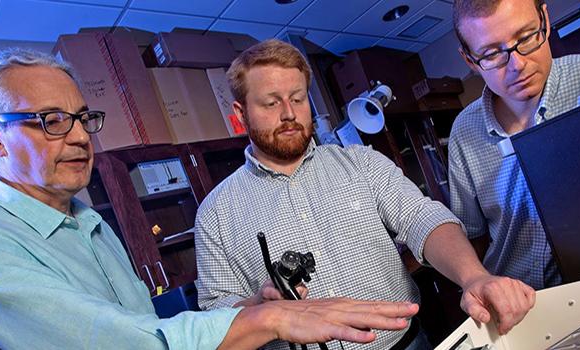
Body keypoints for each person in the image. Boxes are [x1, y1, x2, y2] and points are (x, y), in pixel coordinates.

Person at [0, 48, 421, 350]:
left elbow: (145, 324)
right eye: (50, 120)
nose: (77, 137)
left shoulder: (86, 223)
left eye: (82, 118)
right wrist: (268, 319)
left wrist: (249, 305)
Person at [194, 39, 535, 350]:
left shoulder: (362, 163)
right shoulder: (216, 213)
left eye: (298, 99)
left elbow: (422, 218)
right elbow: (214, 316)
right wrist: (259, 307)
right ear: (241, 114)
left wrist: (474, 276)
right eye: (271, 102)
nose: (288, 113)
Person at [448, 0, 580, 290]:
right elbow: (473, 237)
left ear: (545, 21)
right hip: (521, 302)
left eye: (526, 38)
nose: (518, 65)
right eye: (491, 54)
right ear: (470, 61)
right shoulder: (464, 132)